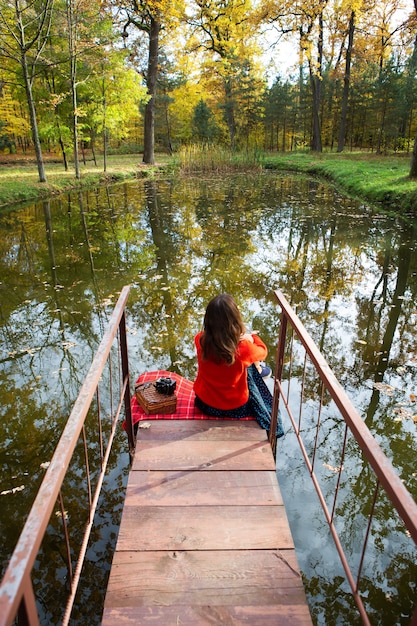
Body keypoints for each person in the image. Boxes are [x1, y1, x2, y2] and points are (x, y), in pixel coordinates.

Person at [193, 294, 283, 437]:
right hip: (236, 408)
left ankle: (259, 370)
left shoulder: (200, 340)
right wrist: (252, 338)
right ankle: (260, 370)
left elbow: (218, 344)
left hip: (205, 404)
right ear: (235, 320)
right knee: (250, 367)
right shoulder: (244, 348)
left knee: (244, 365)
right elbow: (263, 351)